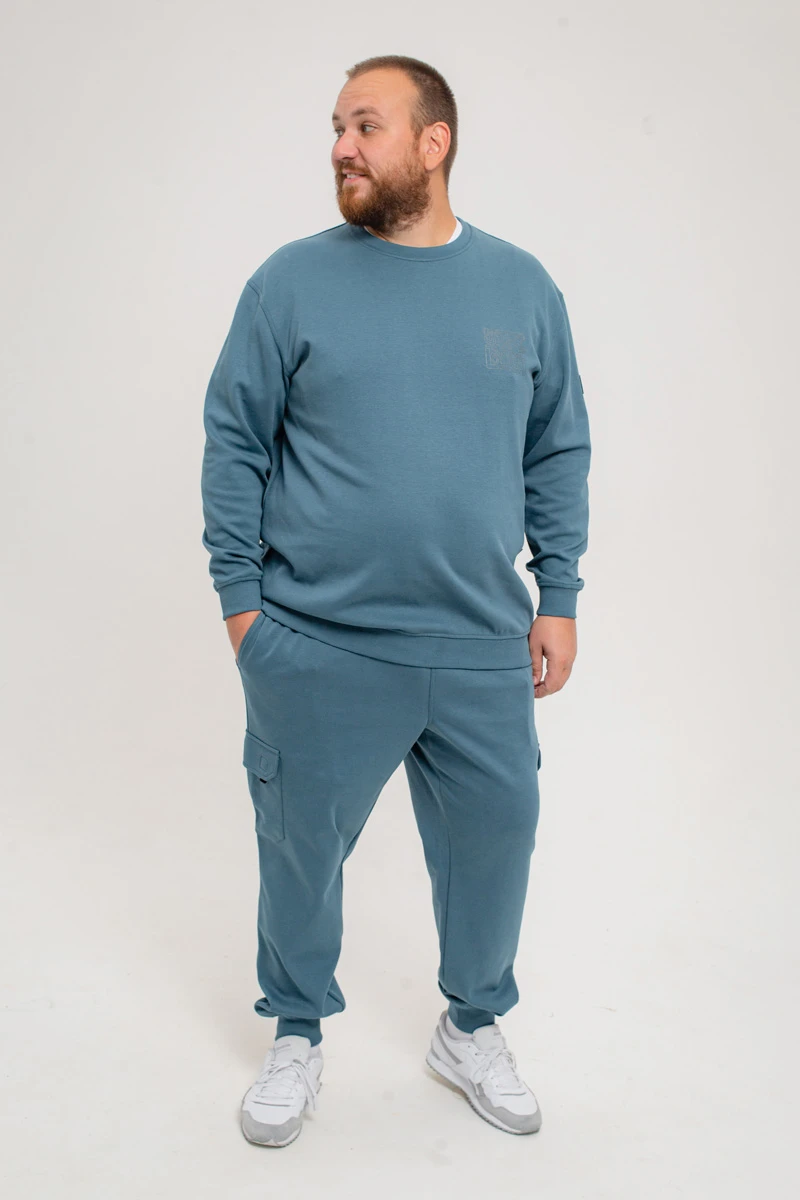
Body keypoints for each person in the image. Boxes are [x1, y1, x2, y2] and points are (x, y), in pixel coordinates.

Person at [200, 54, 591, 1148]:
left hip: (480, 641)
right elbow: (233, 441)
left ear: (434, 141)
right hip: (317, 641)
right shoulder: (289, 282)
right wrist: (243, 610)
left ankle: (470, 1026)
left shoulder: (521, 287)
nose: (341, 147)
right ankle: (295, 1032)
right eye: (335, 127)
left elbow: (557, 445)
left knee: (497, 841)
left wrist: (557, 593)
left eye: (365, 125)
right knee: (299, 849)